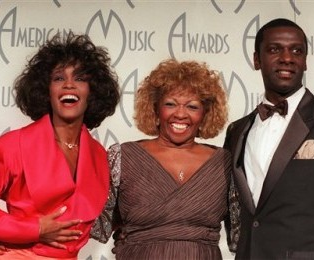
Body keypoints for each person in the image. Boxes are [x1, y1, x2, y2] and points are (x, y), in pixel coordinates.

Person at [0, 31, 120, 259]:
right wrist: (34, 229)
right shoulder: (13, 145)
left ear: (92, 91)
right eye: (58, 78)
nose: (69, 85)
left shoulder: (99, 155)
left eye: (79, 78)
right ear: (46, 90)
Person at [224, 18, 314, 259]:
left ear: (305, 61)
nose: (287, 57)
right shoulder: (237, 130)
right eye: (274, 49)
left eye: (296, 50)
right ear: (256, 60)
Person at [90, 58, 232, 259]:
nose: (180, 114)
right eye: (170, 104)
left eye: (192, 106)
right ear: (155, 110)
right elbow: (97, 223)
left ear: (205, 114)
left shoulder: (224, 162)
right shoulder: (123, 156)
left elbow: (244, 229)